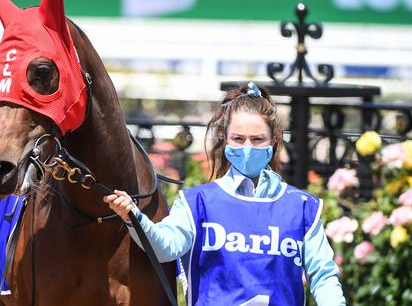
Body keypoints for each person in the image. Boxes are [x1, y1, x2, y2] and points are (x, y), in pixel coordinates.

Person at [104, 82, 345, 306]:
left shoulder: (302, 206)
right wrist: (133, 215)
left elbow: (323, 275)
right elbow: (165, 247)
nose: (247, 147)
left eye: (258, 139)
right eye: (238, 139)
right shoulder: (197, 202)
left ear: (273, 141)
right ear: (225, 140)